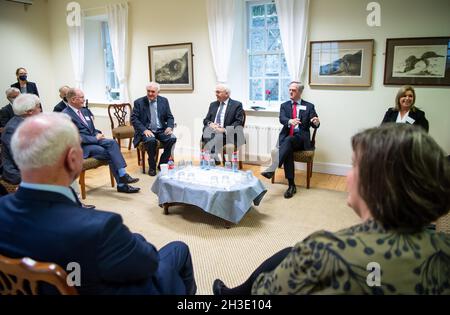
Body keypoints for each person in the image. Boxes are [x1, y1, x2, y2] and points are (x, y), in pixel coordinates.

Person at [213, 124, 450, 295]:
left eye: (354, 165)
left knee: (294, 254)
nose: (347, 175)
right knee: (289, 252)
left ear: (378, 182)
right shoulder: (444, 249)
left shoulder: (325, 251)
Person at [0, 112, 197, 295]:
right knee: (178, 248)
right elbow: (148, 263)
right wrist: (131, 239)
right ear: (73, 159)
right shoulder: (100, 228)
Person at [63, 88, 140, 193]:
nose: (84, 99)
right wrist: (95, 138)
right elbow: (73, 137)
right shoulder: (65, 115)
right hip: (82, 146)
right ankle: (122, 183)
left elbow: (91, 128)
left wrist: (97, 133)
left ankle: (123, 175)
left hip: (94, 139)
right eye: (81, 98)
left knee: (112, 143)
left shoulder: (84, 110)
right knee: (109, 153)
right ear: (73, 100)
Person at [261, 81, 320, 199]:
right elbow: (282, 118)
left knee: (288, 142)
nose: (290, 92)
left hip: (301, 139)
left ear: (300, 92)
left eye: (294, 90)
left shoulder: (309, 106)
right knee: (288, 147)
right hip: (288, 138)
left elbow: (314, 122)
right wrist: (290, 121)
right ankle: (291, 186)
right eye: (289, 90)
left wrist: (316, 122)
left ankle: (272, 168)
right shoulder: (284, 105)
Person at [131, 82, 176, 176]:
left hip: (161, 130)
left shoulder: (164, 101)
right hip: (147, 130)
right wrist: (144, 130)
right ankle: (152, 166)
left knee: (172, 138)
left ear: (158, 92)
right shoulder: (139, 102)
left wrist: (169, 127)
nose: (150, 94)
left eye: (153, 91)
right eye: (148, 91)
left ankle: (162, 163)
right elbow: (134, 119)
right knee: (151, 141)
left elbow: (170, 117)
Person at [1, 93, 41, 184]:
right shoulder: (12, 130)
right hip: (18, 174)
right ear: (29, 111)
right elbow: (22, 160)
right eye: (38, 107)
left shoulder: (27, 122)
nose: (40, 110)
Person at [201, 84, 245, 163]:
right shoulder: (213, 105)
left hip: (227, 134)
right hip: (213, 132)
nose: (216, 94)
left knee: (209, 135)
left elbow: (238, 122)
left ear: (226, 94)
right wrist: (210, 124)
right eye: (216, 92)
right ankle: (214, 157)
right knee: (206, 129)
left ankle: (213, 158)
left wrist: (224, 130)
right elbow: (205, 120)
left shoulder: (237, 105)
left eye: (218, 92)